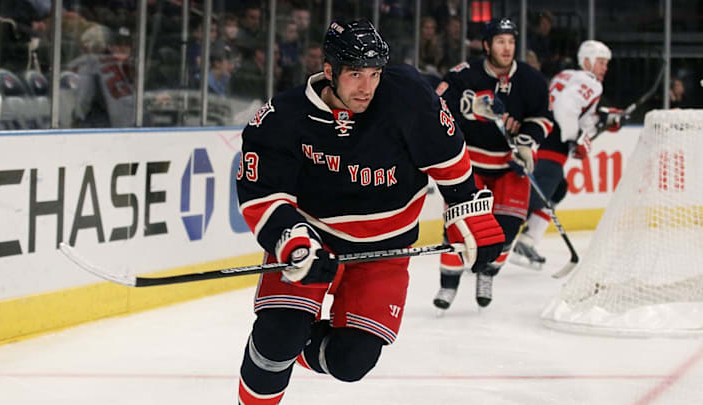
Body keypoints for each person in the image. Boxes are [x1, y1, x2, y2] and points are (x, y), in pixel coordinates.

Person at [235, 19, 504, 404]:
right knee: (278, 336)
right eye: (356, 74)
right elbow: (263, 195)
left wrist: (469, 214)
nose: (367, 88)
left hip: (385, 253)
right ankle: (276, 350)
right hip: (316, 241)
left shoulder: (407, 97)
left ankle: (291, 349)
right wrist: (294, 244)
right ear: (329, 72)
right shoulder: (283, 118)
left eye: (375, 74)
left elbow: (448, 161)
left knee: (351, 362)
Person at [432, 18, 553, 311]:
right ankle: (448, 283)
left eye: (511, 41)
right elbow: (434, 105)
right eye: (500, 41)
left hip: (511, 167)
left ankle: (486, 274)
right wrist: (469, 111)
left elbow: (543, 119)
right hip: (470, 166)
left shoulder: (531, 79)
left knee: (507, 231)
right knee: (459, 229)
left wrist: (526, 144)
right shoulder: (464, 75)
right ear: (486, 45)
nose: (507, 47)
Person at [511, 40, 622, 269]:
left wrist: (603, 117)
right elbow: (566, 109)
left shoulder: (567, 75)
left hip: (541, 137)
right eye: (601, 62)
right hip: (552, 144)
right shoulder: (590, 82)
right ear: (588, 61)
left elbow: (575, 109)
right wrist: (577, 137)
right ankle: (493, 241)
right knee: (533, 197)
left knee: (558, 189)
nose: (605, 68)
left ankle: (528, 239)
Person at [72, 25, 136, 128]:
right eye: (118, 44)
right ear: (109, 46)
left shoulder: (135, 67)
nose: (122, 48)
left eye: (126, 44)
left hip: (127, 127)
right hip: (106, 126)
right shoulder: (92, 64)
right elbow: (83, 99)